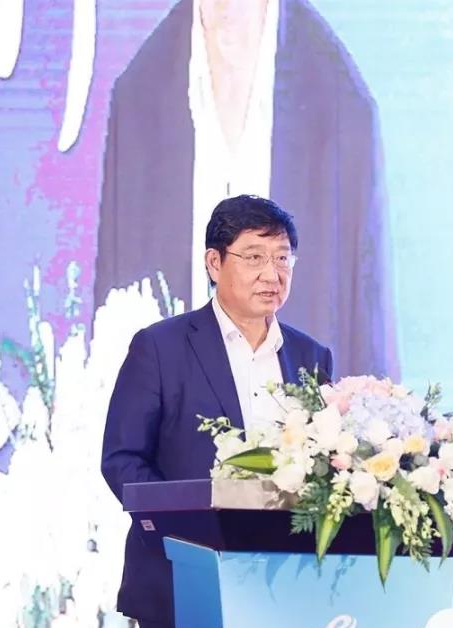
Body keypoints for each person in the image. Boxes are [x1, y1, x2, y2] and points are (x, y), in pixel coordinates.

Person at [101, 195, 332, 628]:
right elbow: (123, 459)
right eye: (254, 257)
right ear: (214, 262)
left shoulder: (311, 356)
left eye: (283, 258)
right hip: (183, 581)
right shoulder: (160, 347)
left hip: (285, 589)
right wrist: (189, 527)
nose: (272, 273)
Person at [92, 0, 396, 380]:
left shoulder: (339, 103)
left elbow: (364, 325)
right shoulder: (139, 95)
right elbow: (113, 327)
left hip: (297, 407)